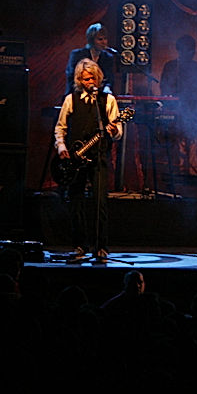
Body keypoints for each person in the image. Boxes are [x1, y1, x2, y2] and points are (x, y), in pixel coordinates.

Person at [55, 58, 125, 262]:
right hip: (75, 159)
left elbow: (117, 130)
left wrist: (113, 131)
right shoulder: (71, 99)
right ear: (79, 79)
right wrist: (61, 147)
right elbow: (60, 127)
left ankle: (101, 247)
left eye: (92, 78)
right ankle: (79, 246)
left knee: (99, 202)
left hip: (98, 157)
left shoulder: (107, 100)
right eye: (85, 79)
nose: (89, 82)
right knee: (75, 201)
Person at [159, 34, 197, 175]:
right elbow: (165, 89)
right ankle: (174, 168)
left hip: (193, 112)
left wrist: (196, 108)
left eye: (192, 50)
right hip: (174, 111)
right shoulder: (171, 66)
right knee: (171, 135)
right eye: (187, 49)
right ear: (179, 50)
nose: (190, 53)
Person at [65, 22, 117, 95]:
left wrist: (107, 87)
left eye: (105, 39)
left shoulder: (108, 57)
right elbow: (72, 77)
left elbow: (109, 78)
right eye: (100, 39)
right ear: (91, 41)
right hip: (77, 95)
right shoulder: (77, 55)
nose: (104, 42)